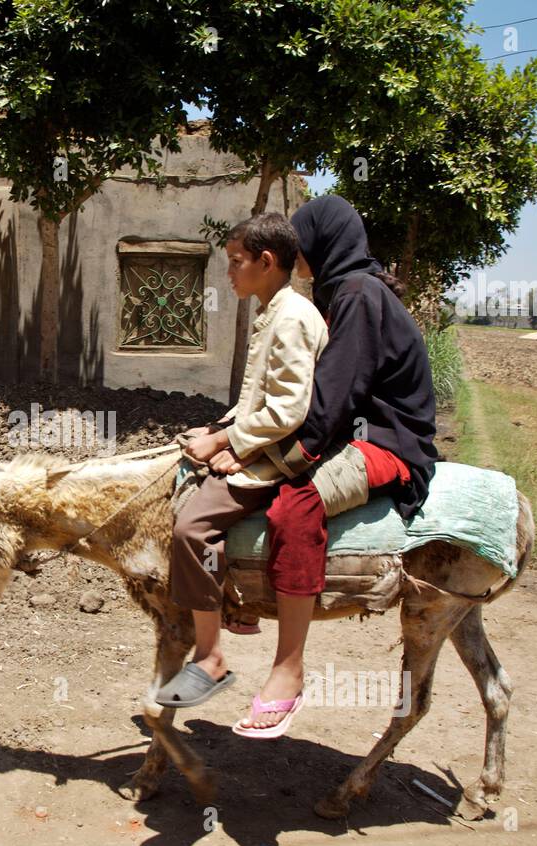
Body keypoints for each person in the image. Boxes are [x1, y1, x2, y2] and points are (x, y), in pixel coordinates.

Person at [234, 194, 440, 737]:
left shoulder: (356, 294)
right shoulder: (342, 291)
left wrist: (290, 457)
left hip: (391, 441)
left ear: (325, 243)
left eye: (302, 244)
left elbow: (335, 396)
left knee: (295, 503)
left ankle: (289, 670)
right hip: (358, 427)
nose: (297, 255)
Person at [156, 212, 327, 711]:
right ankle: (234, 606)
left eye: (235, 263)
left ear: (267, 262)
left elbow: (288, 409)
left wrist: (230, 443)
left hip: (274, 456)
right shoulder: (274, 310)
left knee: (190, 527)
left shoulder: (293, 317)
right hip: (257, 440)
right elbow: (258, 396)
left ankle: (210, 657)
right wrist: (217, 428)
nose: (228, 274)